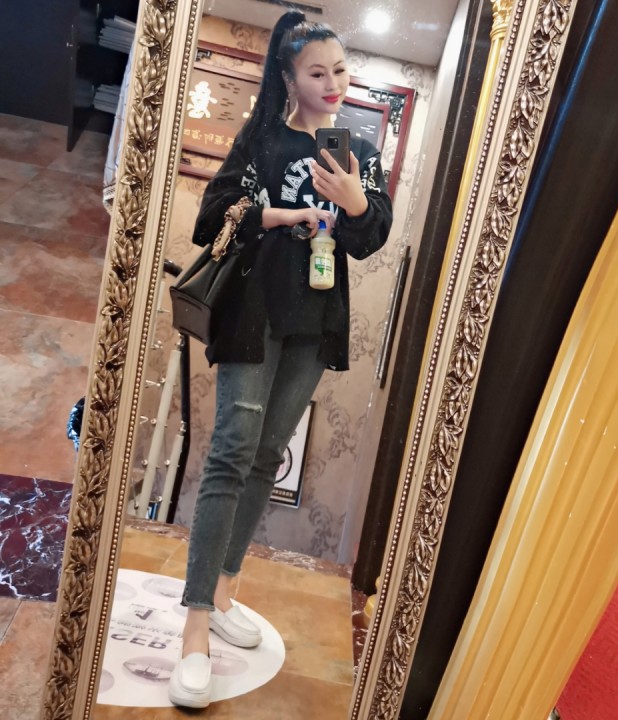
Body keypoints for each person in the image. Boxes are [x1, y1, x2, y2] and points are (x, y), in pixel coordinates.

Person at [168, 10, 393, 709]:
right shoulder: (263, 137)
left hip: (315, 322)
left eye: (340, 70)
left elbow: (371, 238)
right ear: (289, 78)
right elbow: (213, 216)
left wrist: (354, 199)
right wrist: (286, 216)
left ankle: (225, 593)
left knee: (268, 456)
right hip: (254, 311)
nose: (332, 83)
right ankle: (195, 631)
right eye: (317, 72)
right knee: (233, 451)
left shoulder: (358, 149)